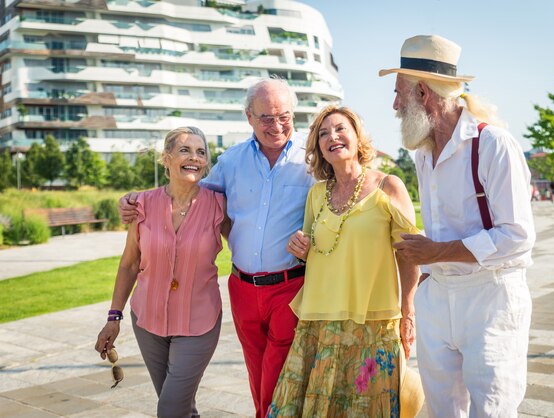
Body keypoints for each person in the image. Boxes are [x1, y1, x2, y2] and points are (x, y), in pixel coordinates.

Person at [118, 78, 314, 418]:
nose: (276, 125)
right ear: (249, 117)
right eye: (265, 117)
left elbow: (336, 205)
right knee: (256, 371)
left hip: (291, 284)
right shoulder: (232, 161)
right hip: (243, 288)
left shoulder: (311, 160)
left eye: (284, 115)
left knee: (278, 371)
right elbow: (187, 190)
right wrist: (136, 201)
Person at [380, 35, 535, 417]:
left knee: (492, 409)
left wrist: (435, 252)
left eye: (399, 93)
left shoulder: (494, 145)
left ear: (423, 92)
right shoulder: (423, 153)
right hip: (437, 298)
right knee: (442, 410)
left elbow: (517, 237)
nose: (395, 104)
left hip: (490, 299)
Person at [267, 106, 420, 417]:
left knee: (366, 409)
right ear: (318, 147)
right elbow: (309, 250)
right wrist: (299, 246)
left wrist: (408, 309)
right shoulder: (316, 194)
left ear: (357, 137)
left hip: (373, 322)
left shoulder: (388, 186)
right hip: (318, 323)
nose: (332, 137)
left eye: (340, 129)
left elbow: (410, 253)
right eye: (323, 134)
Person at [95, 127, 226, 417]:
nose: (194, 157)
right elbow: (129, 263)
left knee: (169, 409)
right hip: (148, 322)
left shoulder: (218, 205)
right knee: (180, 407)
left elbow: (249, 244)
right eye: (184, 150)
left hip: (199, 323)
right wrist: (113, 317)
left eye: (201, 152)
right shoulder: (141, 204)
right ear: (165, 159)